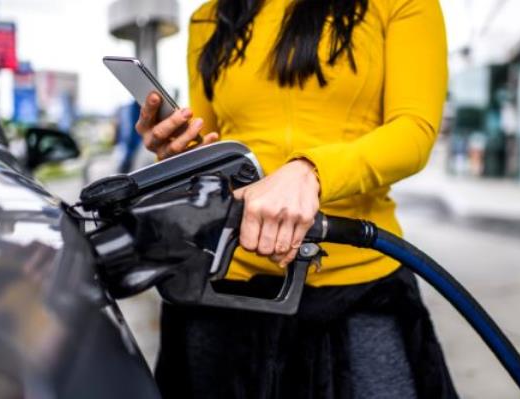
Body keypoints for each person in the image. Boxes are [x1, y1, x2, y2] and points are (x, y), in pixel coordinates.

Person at [135, 0, 457, 398]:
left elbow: (414, 129)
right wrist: (174, 150)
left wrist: (311, 172)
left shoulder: (401, 5)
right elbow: (210, 146)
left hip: (356, 280)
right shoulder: (211, 16)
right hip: (225, 287)